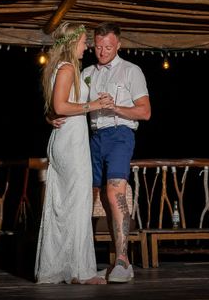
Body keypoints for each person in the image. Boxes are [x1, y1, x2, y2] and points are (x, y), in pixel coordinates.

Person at [34, 22, 113, 285]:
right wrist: (93, 105)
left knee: (67, 205)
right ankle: (82, 270)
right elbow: (59, 104)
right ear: (71, 44)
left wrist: (50, 116)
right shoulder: (67, 67)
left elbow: (55, 108)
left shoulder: (65, 68)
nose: (87, 46)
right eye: (83, 42)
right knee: (78, 204)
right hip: (70, 143)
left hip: (68, 137)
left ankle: (68, 267)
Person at [82, 22, 151, 283]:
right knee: (96, 198)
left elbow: (145, 112)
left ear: (118, 45)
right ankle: (106, 261)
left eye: (108, 47)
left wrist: (116, 108)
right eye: (98, 47)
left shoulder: (131, 71)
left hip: (120, 135)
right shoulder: (87, 72)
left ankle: (123, 260)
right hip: (93, 137)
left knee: (115, 192)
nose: (102, 52)